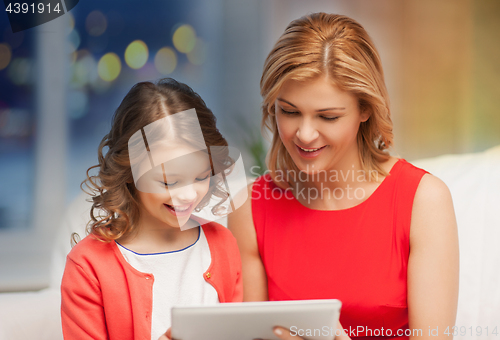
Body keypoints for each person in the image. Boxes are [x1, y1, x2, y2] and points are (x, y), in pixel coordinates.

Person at [228, 13, 459, 340]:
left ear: (366, 110)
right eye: (290, 111)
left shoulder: (423, 200)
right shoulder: (250, 208)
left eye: (328, 116)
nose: (305, 134)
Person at [61, 78, 242, 340]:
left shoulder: (222, 244)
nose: (189, 194)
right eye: (169, 181)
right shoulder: (88, 266)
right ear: (130, 171)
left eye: (202, 177)